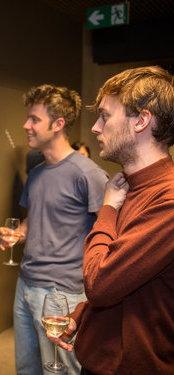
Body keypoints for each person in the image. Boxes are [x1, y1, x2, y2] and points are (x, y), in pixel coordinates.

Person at [49, 66, 174, 375]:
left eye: (105, 116)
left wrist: (107, 210)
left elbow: (100, 283)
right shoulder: (129, 186)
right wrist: (85, 312)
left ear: (142, 120)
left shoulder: (167, 200)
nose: (95, 127)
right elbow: (130, 277)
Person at [0, 85, 109, 375]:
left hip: (63, 293)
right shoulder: (35, 174)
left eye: (34, 119)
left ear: (58, 124)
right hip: (25, 283)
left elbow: (110, 233)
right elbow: (33, 220)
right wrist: (17, 234)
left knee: (60, 372)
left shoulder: (89, 175)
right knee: (27, 368)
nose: (26, 125)